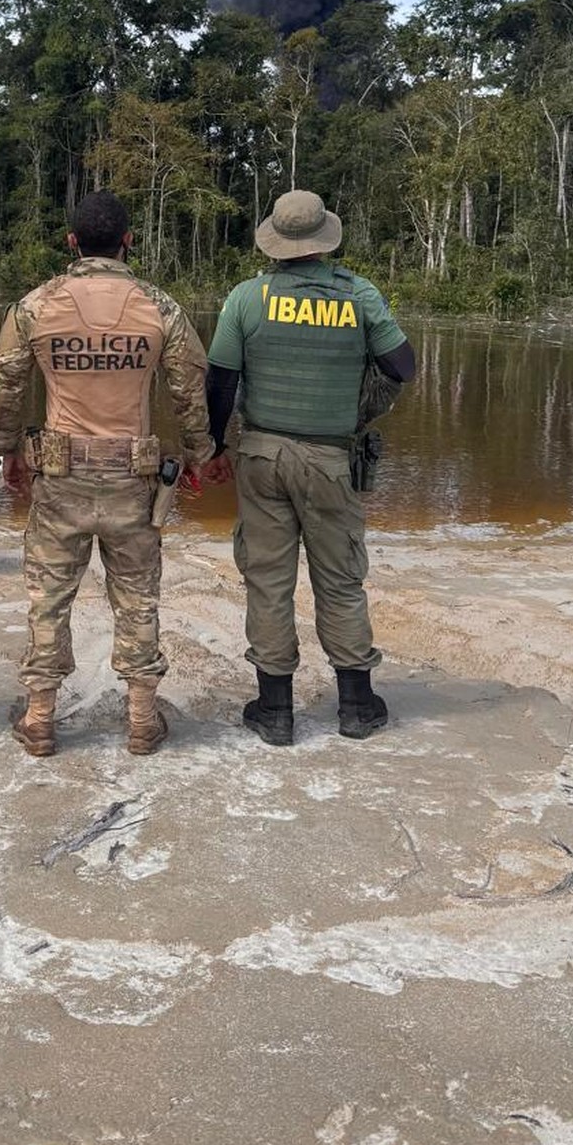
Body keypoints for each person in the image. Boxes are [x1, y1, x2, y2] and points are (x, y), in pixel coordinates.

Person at [0, 190, 213, 757]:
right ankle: (140, 720)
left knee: (48, 597)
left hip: (59, 475)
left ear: (72, 242)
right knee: (137, 597)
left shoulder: (36, 306)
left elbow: (6, 381)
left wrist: (4, 447)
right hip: (133, 478)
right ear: (128, 242)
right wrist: (201, 451)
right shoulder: (159, 307)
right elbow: (189, 386)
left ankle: (39, 719)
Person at [203, 189, 415, 746]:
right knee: (341, 581)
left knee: (268, 581)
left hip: (262, 456)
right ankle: (356, 707)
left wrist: (215, 445)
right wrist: (358, 398)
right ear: (325, 240)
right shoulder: (359, 295)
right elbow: (402, 365)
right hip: (329, 459)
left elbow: (220, 378)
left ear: (275, 241)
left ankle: (275, 712)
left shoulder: (248, 297)